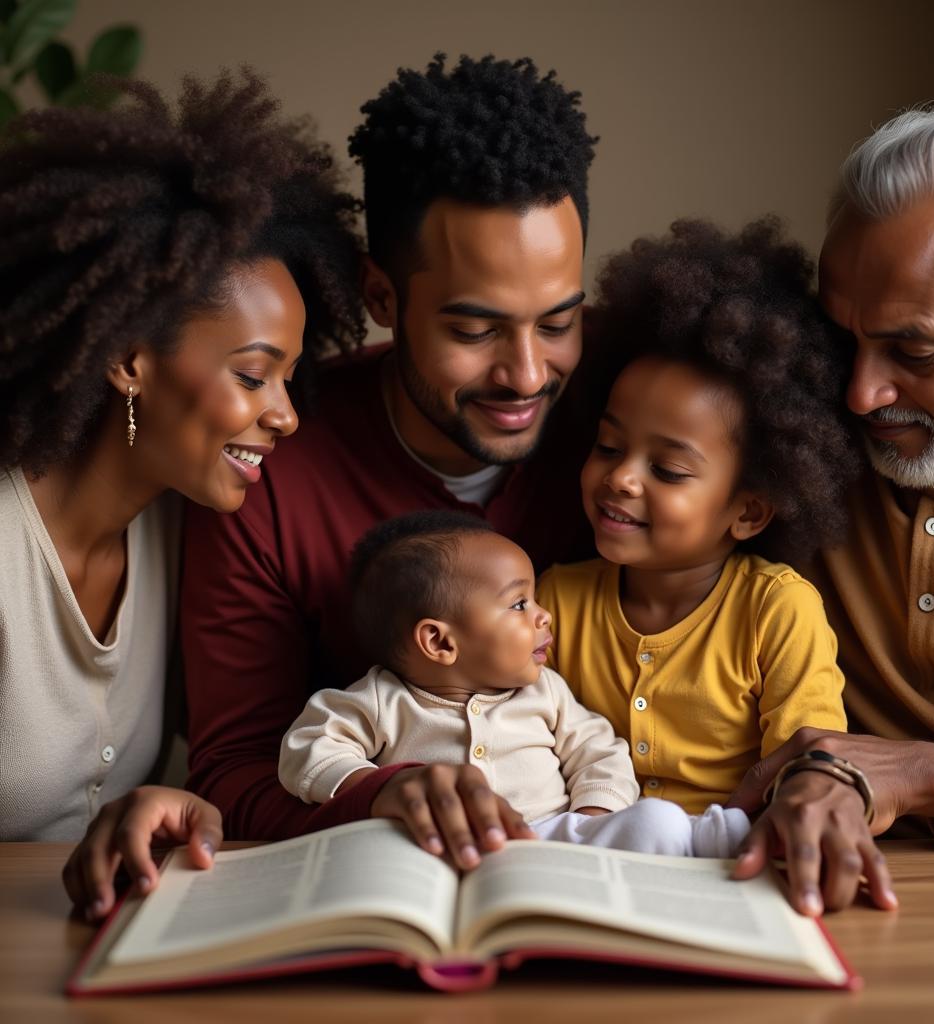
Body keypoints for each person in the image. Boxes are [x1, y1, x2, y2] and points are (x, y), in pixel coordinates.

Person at [180, 55, 599, 851]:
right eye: (474, 331)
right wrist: (384, 794)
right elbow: (232, 769)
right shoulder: (272, 459)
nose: (527, 375)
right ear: (381, 298)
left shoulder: (622, 433)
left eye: (557, 322)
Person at [0, 69, 365, 917]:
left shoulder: (183, 524)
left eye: (291, 378)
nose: (285, 417)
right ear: (129, 358)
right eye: (252, 375)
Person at [729, 106, 934, 916]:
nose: (861, 394)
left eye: (915, 352)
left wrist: (932, 773)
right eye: (842, 341)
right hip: (804, 897)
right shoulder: (788, 438)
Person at [536, 218, 873, 894]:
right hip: (592, 862)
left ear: (748, 509)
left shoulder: (777, 608)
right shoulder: (554, 600)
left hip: (732, 866)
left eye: (668, 469)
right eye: (609, 447)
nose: (622, 479)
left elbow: (804, 761)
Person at [279, 511, 750, 865]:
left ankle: (719, 835)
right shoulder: (382, 699)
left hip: (552, 839)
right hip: (441, 847)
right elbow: (307, 747)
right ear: (440, 641)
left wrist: (592, 817)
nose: (544, 615)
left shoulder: (546, 692)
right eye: (520, 603)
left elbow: (599, 752)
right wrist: (377, 787)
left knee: (657, 820)